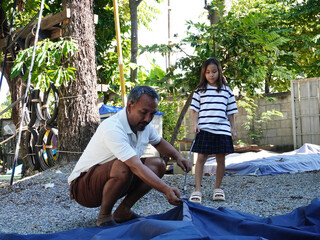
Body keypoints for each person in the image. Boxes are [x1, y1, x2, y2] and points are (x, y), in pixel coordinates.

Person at [68, 85, 191, 227]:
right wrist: (166, 189)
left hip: (111, 179)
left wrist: (178, 156)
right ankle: (104, 217)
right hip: (83, 188)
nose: (148, 118)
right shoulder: (113, 127)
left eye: (152, 114)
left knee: (158, 165)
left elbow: (159, 142)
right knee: (124, 165)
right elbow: (135, 166)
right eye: (143, 112)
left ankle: (123, 211)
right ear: (130, 106)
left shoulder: (144, 126)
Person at [189, 58, 238, 204]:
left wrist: (233, 128)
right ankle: (197, 190)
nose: (211, 75)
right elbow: (195, 111)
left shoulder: (227, 90)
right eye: (208, 72)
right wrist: (195, 124)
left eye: (214, 72)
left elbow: (231, 112)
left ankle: (218, 188)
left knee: (221, 159)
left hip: (222, 129)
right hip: (204, 129)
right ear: (204, 74)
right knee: (201, 159)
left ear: (219, 72)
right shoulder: (199, 90)